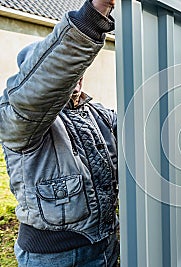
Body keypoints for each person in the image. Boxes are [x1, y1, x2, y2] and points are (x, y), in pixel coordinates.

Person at [0, 0, 119, 266]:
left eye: (77, 72)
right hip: (55, 257)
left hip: (104, 245)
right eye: (66, 75)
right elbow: (47, 79)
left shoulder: (96, 114)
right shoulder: (20, 118)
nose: (75, 79)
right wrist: (94, 14)